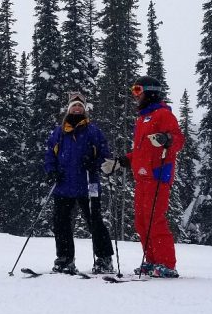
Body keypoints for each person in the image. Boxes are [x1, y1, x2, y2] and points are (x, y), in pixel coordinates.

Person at [101, 75, 185, 278]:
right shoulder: (142, 118)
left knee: (155, 219)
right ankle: (152, 261)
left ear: (150, 92)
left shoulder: (163, 114)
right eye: (134, 91)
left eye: (138, 91)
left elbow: (179, 140)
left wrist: (167, 139)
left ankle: (166, 264)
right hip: (142, 177)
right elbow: (141, 151)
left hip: (158, 176)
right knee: (141, 220)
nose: (135, 96)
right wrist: (121, 161)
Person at [43, 92, 115, 274]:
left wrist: (95, 162)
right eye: (74, 106)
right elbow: (50, 153)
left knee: (95, 222)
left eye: (80, 106)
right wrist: (51, 171)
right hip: (64, 184)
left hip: (88, 183)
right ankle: (65, 259)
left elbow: (105, 155)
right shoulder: (59, 132)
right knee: (61, 223)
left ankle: (104, 259)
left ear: (85, 110)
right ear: (68, 109)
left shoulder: (93, 131)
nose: (77, 109)